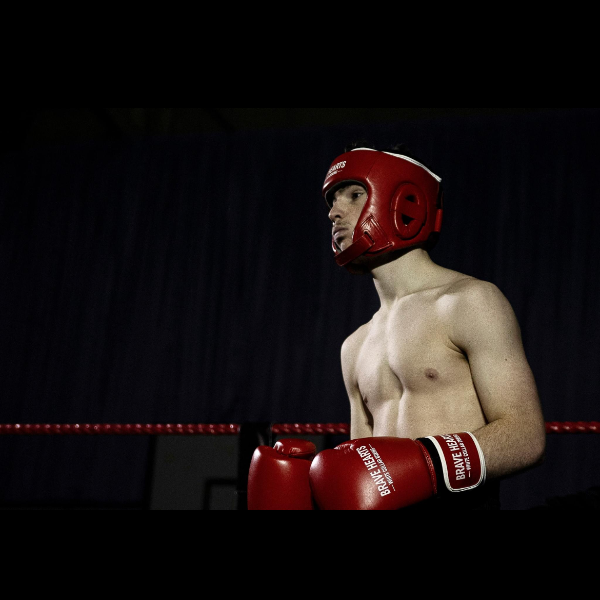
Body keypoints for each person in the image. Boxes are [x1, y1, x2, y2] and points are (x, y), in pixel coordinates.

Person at [248, 143, 546, 510]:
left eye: (354, 195)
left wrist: (424, 466)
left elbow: (526, 438)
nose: (334, 213)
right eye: (332, 202)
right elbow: (362, 473)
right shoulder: (355, 346)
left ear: (404, 201)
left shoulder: (469, 302)